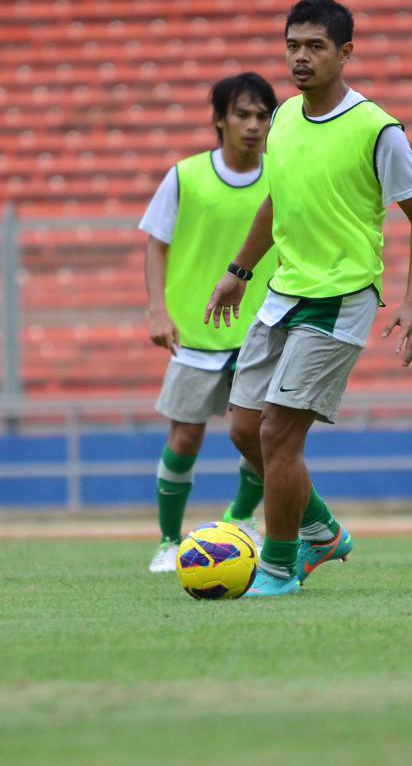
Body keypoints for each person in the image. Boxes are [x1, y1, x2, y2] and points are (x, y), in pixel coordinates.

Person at [205, 0, 412, 597]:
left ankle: (280, 566)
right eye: (292, 46)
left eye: (314, 46)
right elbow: (277, 200)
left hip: (340, 297)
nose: (300, 57)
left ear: (345, 52)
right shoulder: (282, 118)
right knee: (244, 429)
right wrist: (239, 268)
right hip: (284, 291)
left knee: (280, 432)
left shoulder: (376, 128)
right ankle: (324, 530)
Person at [139, 72, 278, 572]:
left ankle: (241, 519)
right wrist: (158, 309)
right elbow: (157, 242)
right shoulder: (185, 175)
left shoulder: (280, 174)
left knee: (261, 436)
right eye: (243, 113)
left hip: (262, 329)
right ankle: (167, 541)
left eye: (263, 115)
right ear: (219, 119)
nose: (254, 125)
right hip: (196, 332)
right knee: (185, 437)